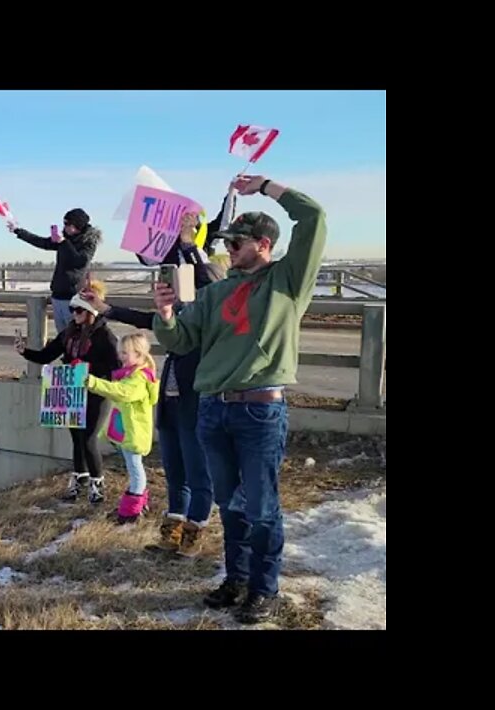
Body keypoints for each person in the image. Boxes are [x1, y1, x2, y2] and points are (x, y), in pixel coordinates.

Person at [152, 174, 327, 624]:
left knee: (261, 506)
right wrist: (166, 313)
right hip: (212, 408)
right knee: (228, 504)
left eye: (237, 242)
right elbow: (181, 340)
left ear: (264, 244)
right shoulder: (215, 293)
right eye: (227, 244)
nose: (228, 249)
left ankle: (264, 589)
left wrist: (266, 187)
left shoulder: (287, 281)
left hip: (259, 409)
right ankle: (237, 577)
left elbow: (314, 217)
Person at [84, 213, 228, 557]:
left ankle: (194, 536)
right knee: (175, 471)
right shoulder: (181, 319)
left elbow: (209, 283)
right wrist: (104, 307)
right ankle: (172, 535)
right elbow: (144, 319)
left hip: (197, 404)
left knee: (198, 473)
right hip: (172, 405)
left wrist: (189, 245)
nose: (178, 292)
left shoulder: (211, 316)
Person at [16, 279, 120, 504]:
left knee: (90, 438)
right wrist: (25, 352)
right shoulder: (69, 334)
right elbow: (47, 355)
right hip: (73, 390)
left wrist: (89, 369)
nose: (74, 314)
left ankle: (97, 485)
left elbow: (116, 366)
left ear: (91, 310)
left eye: (79, 310)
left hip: (97, 393)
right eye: (72, 309)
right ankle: (79, 480)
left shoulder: (105, 336)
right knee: (77, 437)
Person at [83, 332, 160, 524]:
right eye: (121, 353)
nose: (121, 357)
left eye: (125, 353)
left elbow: (121, 392)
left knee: (136, 470)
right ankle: (138, 504)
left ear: (139, 355)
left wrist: (91, 381)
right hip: (128, 433)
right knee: (134, 468)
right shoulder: (131, 375)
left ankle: (131, 510)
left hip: (134, 435)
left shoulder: (138, 379)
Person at [7, 208, 101, 333]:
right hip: (57, 295)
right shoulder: (64, 240)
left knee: (75, 334)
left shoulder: (88, 242)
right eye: (64, 223)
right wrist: (18, 231)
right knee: (62, 335)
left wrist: (64, 242)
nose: (65, 227)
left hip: (73, 296)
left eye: (68, 224)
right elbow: (42, 242)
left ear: (77, 225)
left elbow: (80, 261)